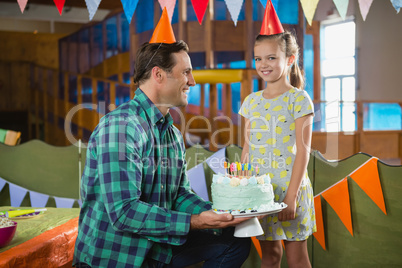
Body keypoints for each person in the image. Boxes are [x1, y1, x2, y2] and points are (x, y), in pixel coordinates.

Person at [73, 40, 254, 268]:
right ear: (158, 75)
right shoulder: (121, 126)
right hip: (116, 258)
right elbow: (123, 212)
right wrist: (195, 222)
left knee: (233, 241)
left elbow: (178, 195)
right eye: (186, 72)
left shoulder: (172, 134)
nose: (192, 81)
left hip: (156, 249)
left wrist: (221, 215)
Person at [239, 30, 316, 268]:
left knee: (296, 258)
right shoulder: (251, 101)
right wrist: (245, 187)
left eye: (271, 58)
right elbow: (247, 149)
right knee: (270, 256)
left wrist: (291, 197)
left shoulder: (299, 100)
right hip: (262, 193)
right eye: (258, 58)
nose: (263, 64)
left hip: (290, 190)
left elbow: (303, 152)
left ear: (290, 59)